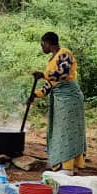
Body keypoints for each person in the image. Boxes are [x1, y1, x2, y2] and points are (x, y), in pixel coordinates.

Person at [27, 32, 87, 175]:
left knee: (68, 131)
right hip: (60, 99)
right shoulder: (52, 59)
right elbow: (51, 83)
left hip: (69, 98)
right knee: (60, 131)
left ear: (48, 43)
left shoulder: (64, 53)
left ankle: (68, 167)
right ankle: (64, 164)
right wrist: (35, 94)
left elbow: (63, 74)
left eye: (42, 44)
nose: (42, 47)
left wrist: (43, 75)